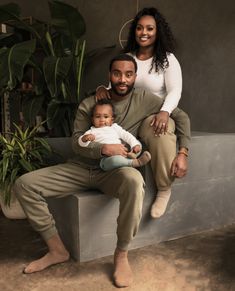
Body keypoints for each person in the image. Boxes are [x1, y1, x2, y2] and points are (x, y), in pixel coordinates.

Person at [14, 54, 190, 288]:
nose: (123, 79)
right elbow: (76, 142)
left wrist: (182, 153)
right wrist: (102, 148)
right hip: (81, 167)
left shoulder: (144, 99)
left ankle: (121, 255)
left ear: (135, 77)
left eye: (128, 74)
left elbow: (181, 116)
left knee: (134, 182)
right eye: (117, 73)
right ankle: (57, 250)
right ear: (109, 76)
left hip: (114, 172)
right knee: (24, 184)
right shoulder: (89, 104)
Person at [96, 7, 183, 218]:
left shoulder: (167, 59)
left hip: (155, 114)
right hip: (128, 114)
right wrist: (101, 88)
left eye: (150, 28)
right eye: (140, 28)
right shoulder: (127, 57)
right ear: (134, 31)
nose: (144, 32)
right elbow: (116, 87)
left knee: (158, 129)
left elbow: (175, 90)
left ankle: (164, 189)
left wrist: (164, 112)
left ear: (157, 31)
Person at [79, 99, 151, 170]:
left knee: (137, 143)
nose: (102, 120)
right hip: (106, 160)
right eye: (97, 116)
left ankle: (133, 154)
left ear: (112, 120)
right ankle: (135, 162)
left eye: (106, 117)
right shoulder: (92, 131)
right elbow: (81, 143)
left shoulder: (115, 127)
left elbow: (126, 135)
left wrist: (134, 145)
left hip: (123, 153)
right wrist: (85, 138)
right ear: (92, 119)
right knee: (114, 161)